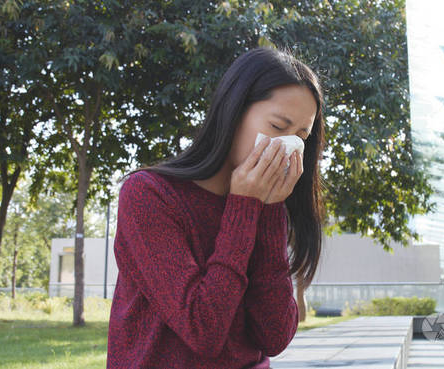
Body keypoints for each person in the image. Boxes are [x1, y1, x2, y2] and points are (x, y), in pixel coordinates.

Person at [106, 47, 326, 369]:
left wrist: (267, 211)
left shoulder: (266, 206)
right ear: (233, 112)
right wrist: (243, 208)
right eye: (279, 127)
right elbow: (203, 329)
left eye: (301, 137)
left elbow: (275, 337)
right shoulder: (148, 195)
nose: (288, 146)